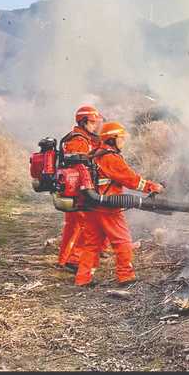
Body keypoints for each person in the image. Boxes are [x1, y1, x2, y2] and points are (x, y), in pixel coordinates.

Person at [74, 121, 164, 287]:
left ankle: (82, 278)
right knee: (122, 240)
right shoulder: (111, 158)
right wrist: (153, 187)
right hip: (108, 207)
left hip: (91, 205)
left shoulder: (94, 154)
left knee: (92, 244)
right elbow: (131, 180)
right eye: (121, 138)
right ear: (111, 139)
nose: (123, 141)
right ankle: (125, 276)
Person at [57, 104, 102, 272]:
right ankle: (75, 260)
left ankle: (63, 259)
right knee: (88, 225)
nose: (95, 125)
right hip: (80, 191)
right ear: (82, 121)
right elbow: (81, 167)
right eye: (92, 121)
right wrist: (89, 190)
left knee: (72, 226)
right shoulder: (78, 140)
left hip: (72, 191)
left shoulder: (78, 137)